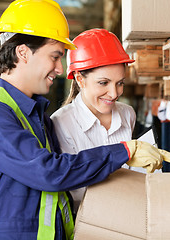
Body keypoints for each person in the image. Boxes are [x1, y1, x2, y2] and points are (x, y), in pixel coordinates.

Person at [0, 1, 170, 239]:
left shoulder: (35, 114)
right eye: (55, 56)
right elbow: (49, 172)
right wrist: (124, 152)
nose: (59, 68)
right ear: (23, 52)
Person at [50, 29, 158, 211]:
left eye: (120, 83)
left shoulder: (127, 114)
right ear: (79, 79)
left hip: (129, 209)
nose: (115, 93)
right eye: (103, 83)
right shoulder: (61, 123)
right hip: (87, 219)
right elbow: (76, 188)